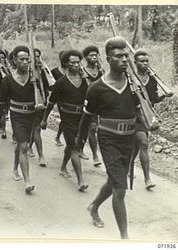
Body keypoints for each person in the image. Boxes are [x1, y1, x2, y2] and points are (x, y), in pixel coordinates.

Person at [76, 36, 139, 239]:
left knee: (114, 180)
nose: (124, 60)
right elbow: (87, 117)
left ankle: (94, 206)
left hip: (129, 140)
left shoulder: (134, 85)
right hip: (108, 139)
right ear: (108, 59)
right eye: (118, 56)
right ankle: (125, 238)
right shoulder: (96, 88)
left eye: (126, 56)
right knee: (120, 188)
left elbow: (143, 111)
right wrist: (79, 140)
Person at [41, 49, 89, 192]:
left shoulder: (84, 80)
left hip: (82, 118)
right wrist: (44, 119)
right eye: (72, 62)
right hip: (67, 119)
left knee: (73, 146)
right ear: (66, 64)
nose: (76, 65)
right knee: (74, 147)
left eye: (78, 62)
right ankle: (81, 181)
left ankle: (63, 167)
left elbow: (92, 97)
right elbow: (51, 102)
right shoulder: (61, 83)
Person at [0, 46, 36, 194]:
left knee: (22, 144)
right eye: (21, 59)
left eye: (27, 59)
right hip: (17, 116)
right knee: (24, 146)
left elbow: (48, 92)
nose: (25, 62)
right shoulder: (8, 80)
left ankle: (14, 167)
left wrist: (38, 83)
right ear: (14, 60)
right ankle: (28, 181)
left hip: (32, 115)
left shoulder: (35, 78)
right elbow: (2, 101)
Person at [132, 49, 170, 190]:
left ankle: (139, 172)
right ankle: (143, 176)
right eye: (142, 61)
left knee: (140, 144)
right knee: (141, 142)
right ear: (135, 62)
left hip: (147, 116)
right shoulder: (131, 78)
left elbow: (153, 99)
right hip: (134, 115)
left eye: (147, 61)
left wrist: (164, 96)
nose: (145, 63)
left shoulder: (152, 79)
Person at [81, 45, 105, 166]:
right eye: (91, 55)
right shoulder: (82, 71)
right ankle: (95, 155)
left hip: (101, 103)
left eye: (96, 55)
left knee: (97, 129)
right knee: (91, 128)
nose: (94, 57)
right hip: (87, 102)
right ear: (86, 58)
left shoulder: (101, 71)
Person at [27, 48, 48, 167]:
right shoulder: (26, 71)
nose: (37, 59)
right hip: (30, 103)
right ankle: (41, 155)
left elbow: (50, 85)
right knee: (35, 128)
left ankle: (32, 148)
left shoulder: (43, 70)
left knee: (36, 128)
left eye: (38, 56)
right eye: (35, 57)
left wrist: (43, 71)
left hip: (42, 102)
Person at [51, 50, 66, 147]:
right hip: (60, 99)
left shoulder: (73, 72)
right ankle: (58, 136)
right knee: (65, 119)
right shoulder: (55, 71)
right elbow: (51, 85)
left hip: (73, 99)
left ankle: (59, 135)